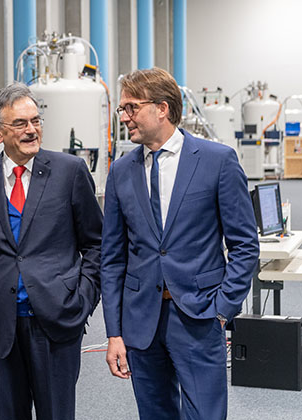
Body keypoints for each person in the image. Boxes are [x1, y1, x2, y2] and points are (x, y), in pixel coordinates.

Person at [101, 68, 259, 419]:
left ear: (162, 108)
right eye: (122, 109)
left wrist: (222, 310)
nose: (124, 117)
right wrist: (114, 332)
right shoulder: (120, 171)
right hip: (141, 322)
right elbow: (112, 259)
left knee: (205, 414)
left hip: (200, 316)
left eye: (131, 108)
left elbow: (245, 244)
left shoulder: (217, 161)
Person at [0, 83, 103, 420]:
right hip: (0, 326)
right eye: (20, 124)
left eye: (35, 121)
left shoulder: (70, 172)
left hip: (56, 319)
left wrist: (82, 299)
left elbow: (96, 243)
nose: (31, 130)